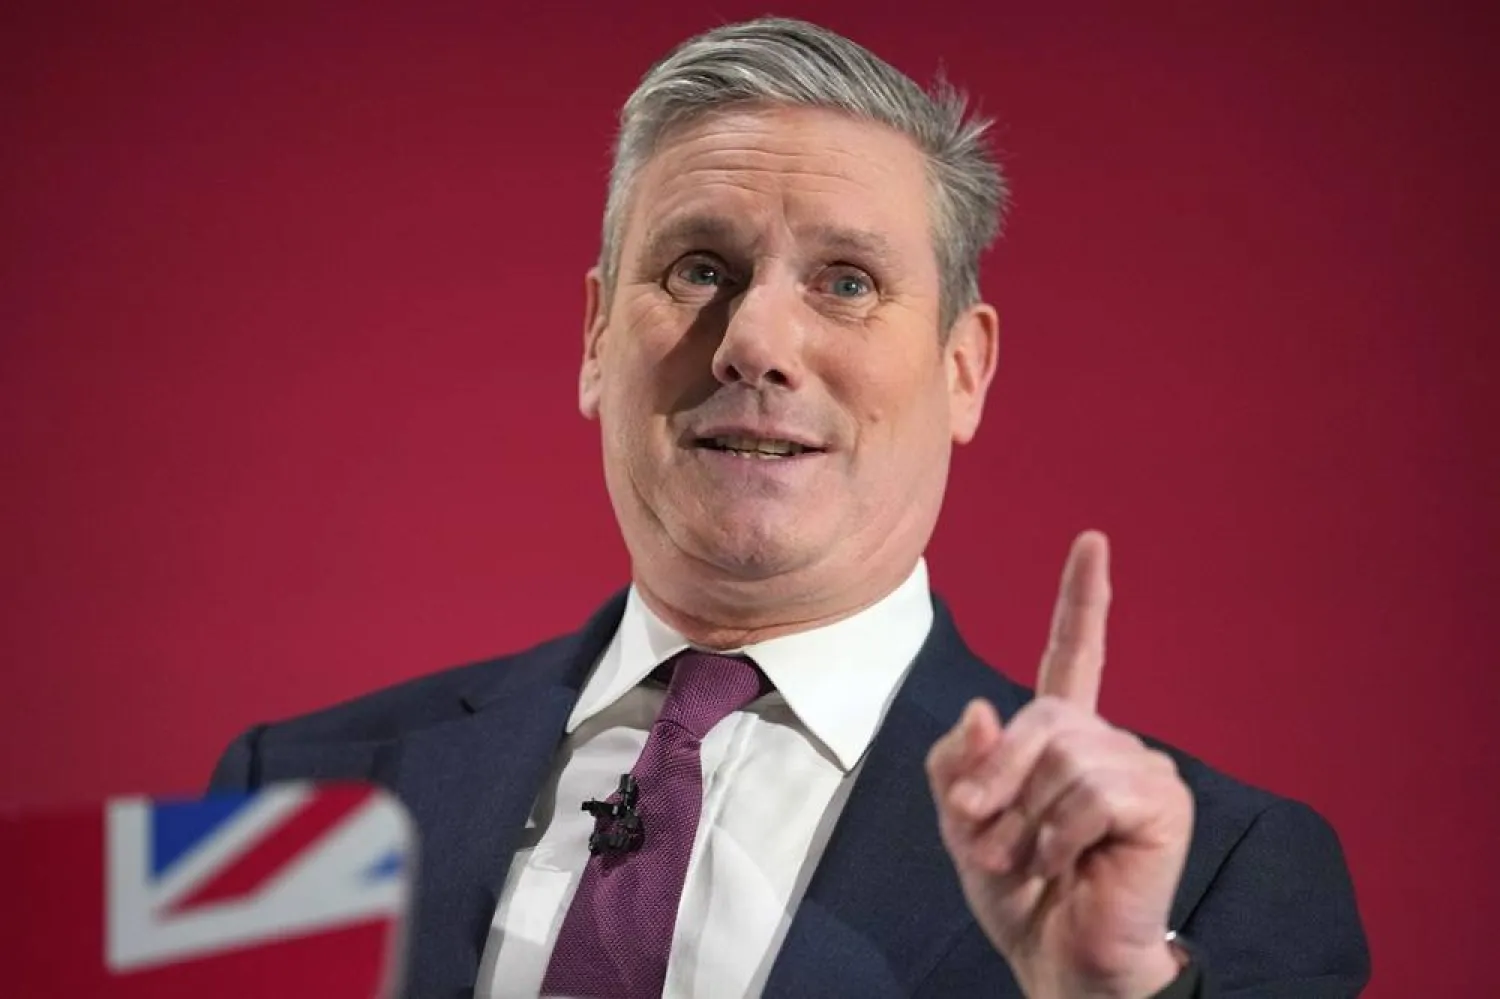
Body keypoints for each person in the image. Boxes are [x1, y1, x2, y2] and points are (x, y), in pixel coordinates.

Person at [210, 17, 1370, 998]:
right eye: (700, 267)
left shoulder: (1219, 873)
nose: (756, 344)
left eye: (848, 282)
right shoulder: (293, 791)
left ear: (965, 370)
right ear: (595, 340)